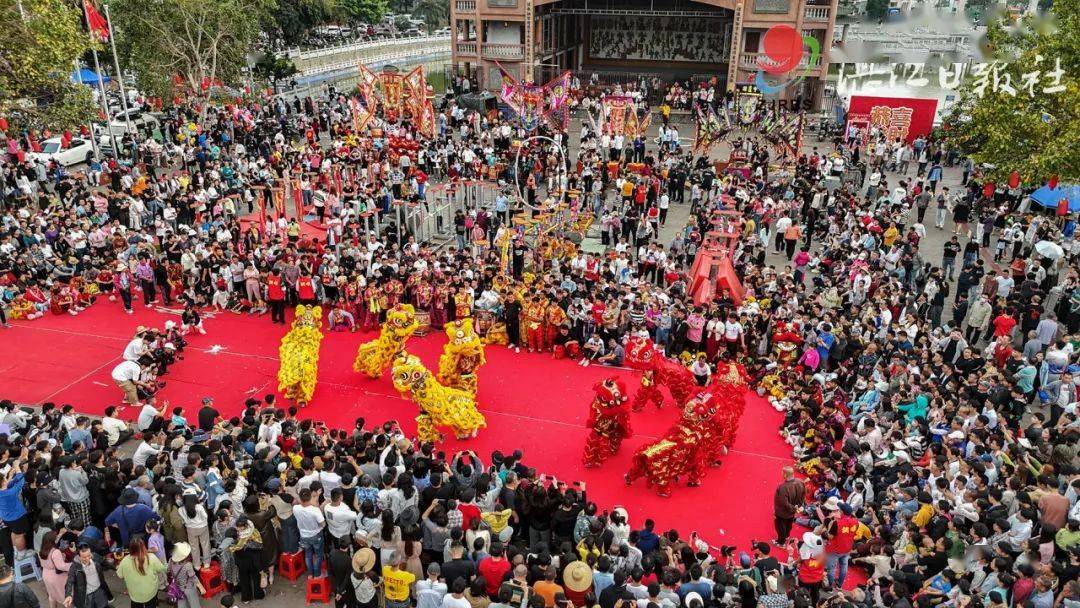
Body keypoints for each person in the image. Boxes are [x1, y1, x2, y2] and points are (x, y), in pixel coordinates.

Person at [116, 538, 167, 608]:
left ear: (130, 548)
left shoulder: (124, 561)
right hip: (151, 592)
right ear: (143, 546)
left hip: (135, 595)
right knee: (151, 605)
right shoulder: (151, 557)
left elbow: (120, 576)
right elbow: (162, 568)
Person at [64, 542, 113, 608]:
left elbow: (104, 562)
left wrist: (116, 568)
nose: (87, 559)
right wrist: (68, 595)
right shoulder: (74, 567)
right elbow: (70, 581)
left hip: (99, 591)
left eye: (89, 555)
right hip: (86, 596)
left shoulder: (95, 557)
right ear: (79, 557)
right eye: (84, 557)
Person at [772, 466, 804, 545]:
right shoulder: (800, 482)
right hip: (793, 510)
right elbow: (803, 495)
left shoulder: (783, 487)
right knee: (789, 524)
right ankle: (787, 536)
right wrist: (797, 507)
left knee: (780, 527)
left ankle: (781, 542)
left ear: (785, 475)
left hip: (782, 512)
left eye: (782, 472)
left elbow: (784, 503)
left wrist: (793, 508)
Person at [167, 542, 204, 608]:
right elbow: (193, 577)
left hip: (178, 587)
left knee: (182, 604)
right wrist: (201, 587)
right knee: (194, 604)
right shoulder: (188, 565)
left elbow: (168, 570)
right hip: (189, 588)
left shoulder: (170, 561)